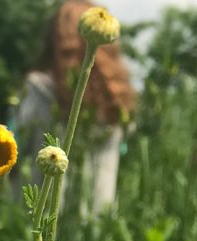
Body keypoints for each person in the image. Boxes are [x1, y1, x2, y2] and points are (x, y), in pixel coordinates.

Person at [14, 0, 136, 216]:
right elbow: (125, 149)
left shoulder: (38, 88)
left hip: (40, 217)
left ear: (56, 38)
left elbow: (15, 144)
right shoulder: (118, 98)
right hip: (97, 218)